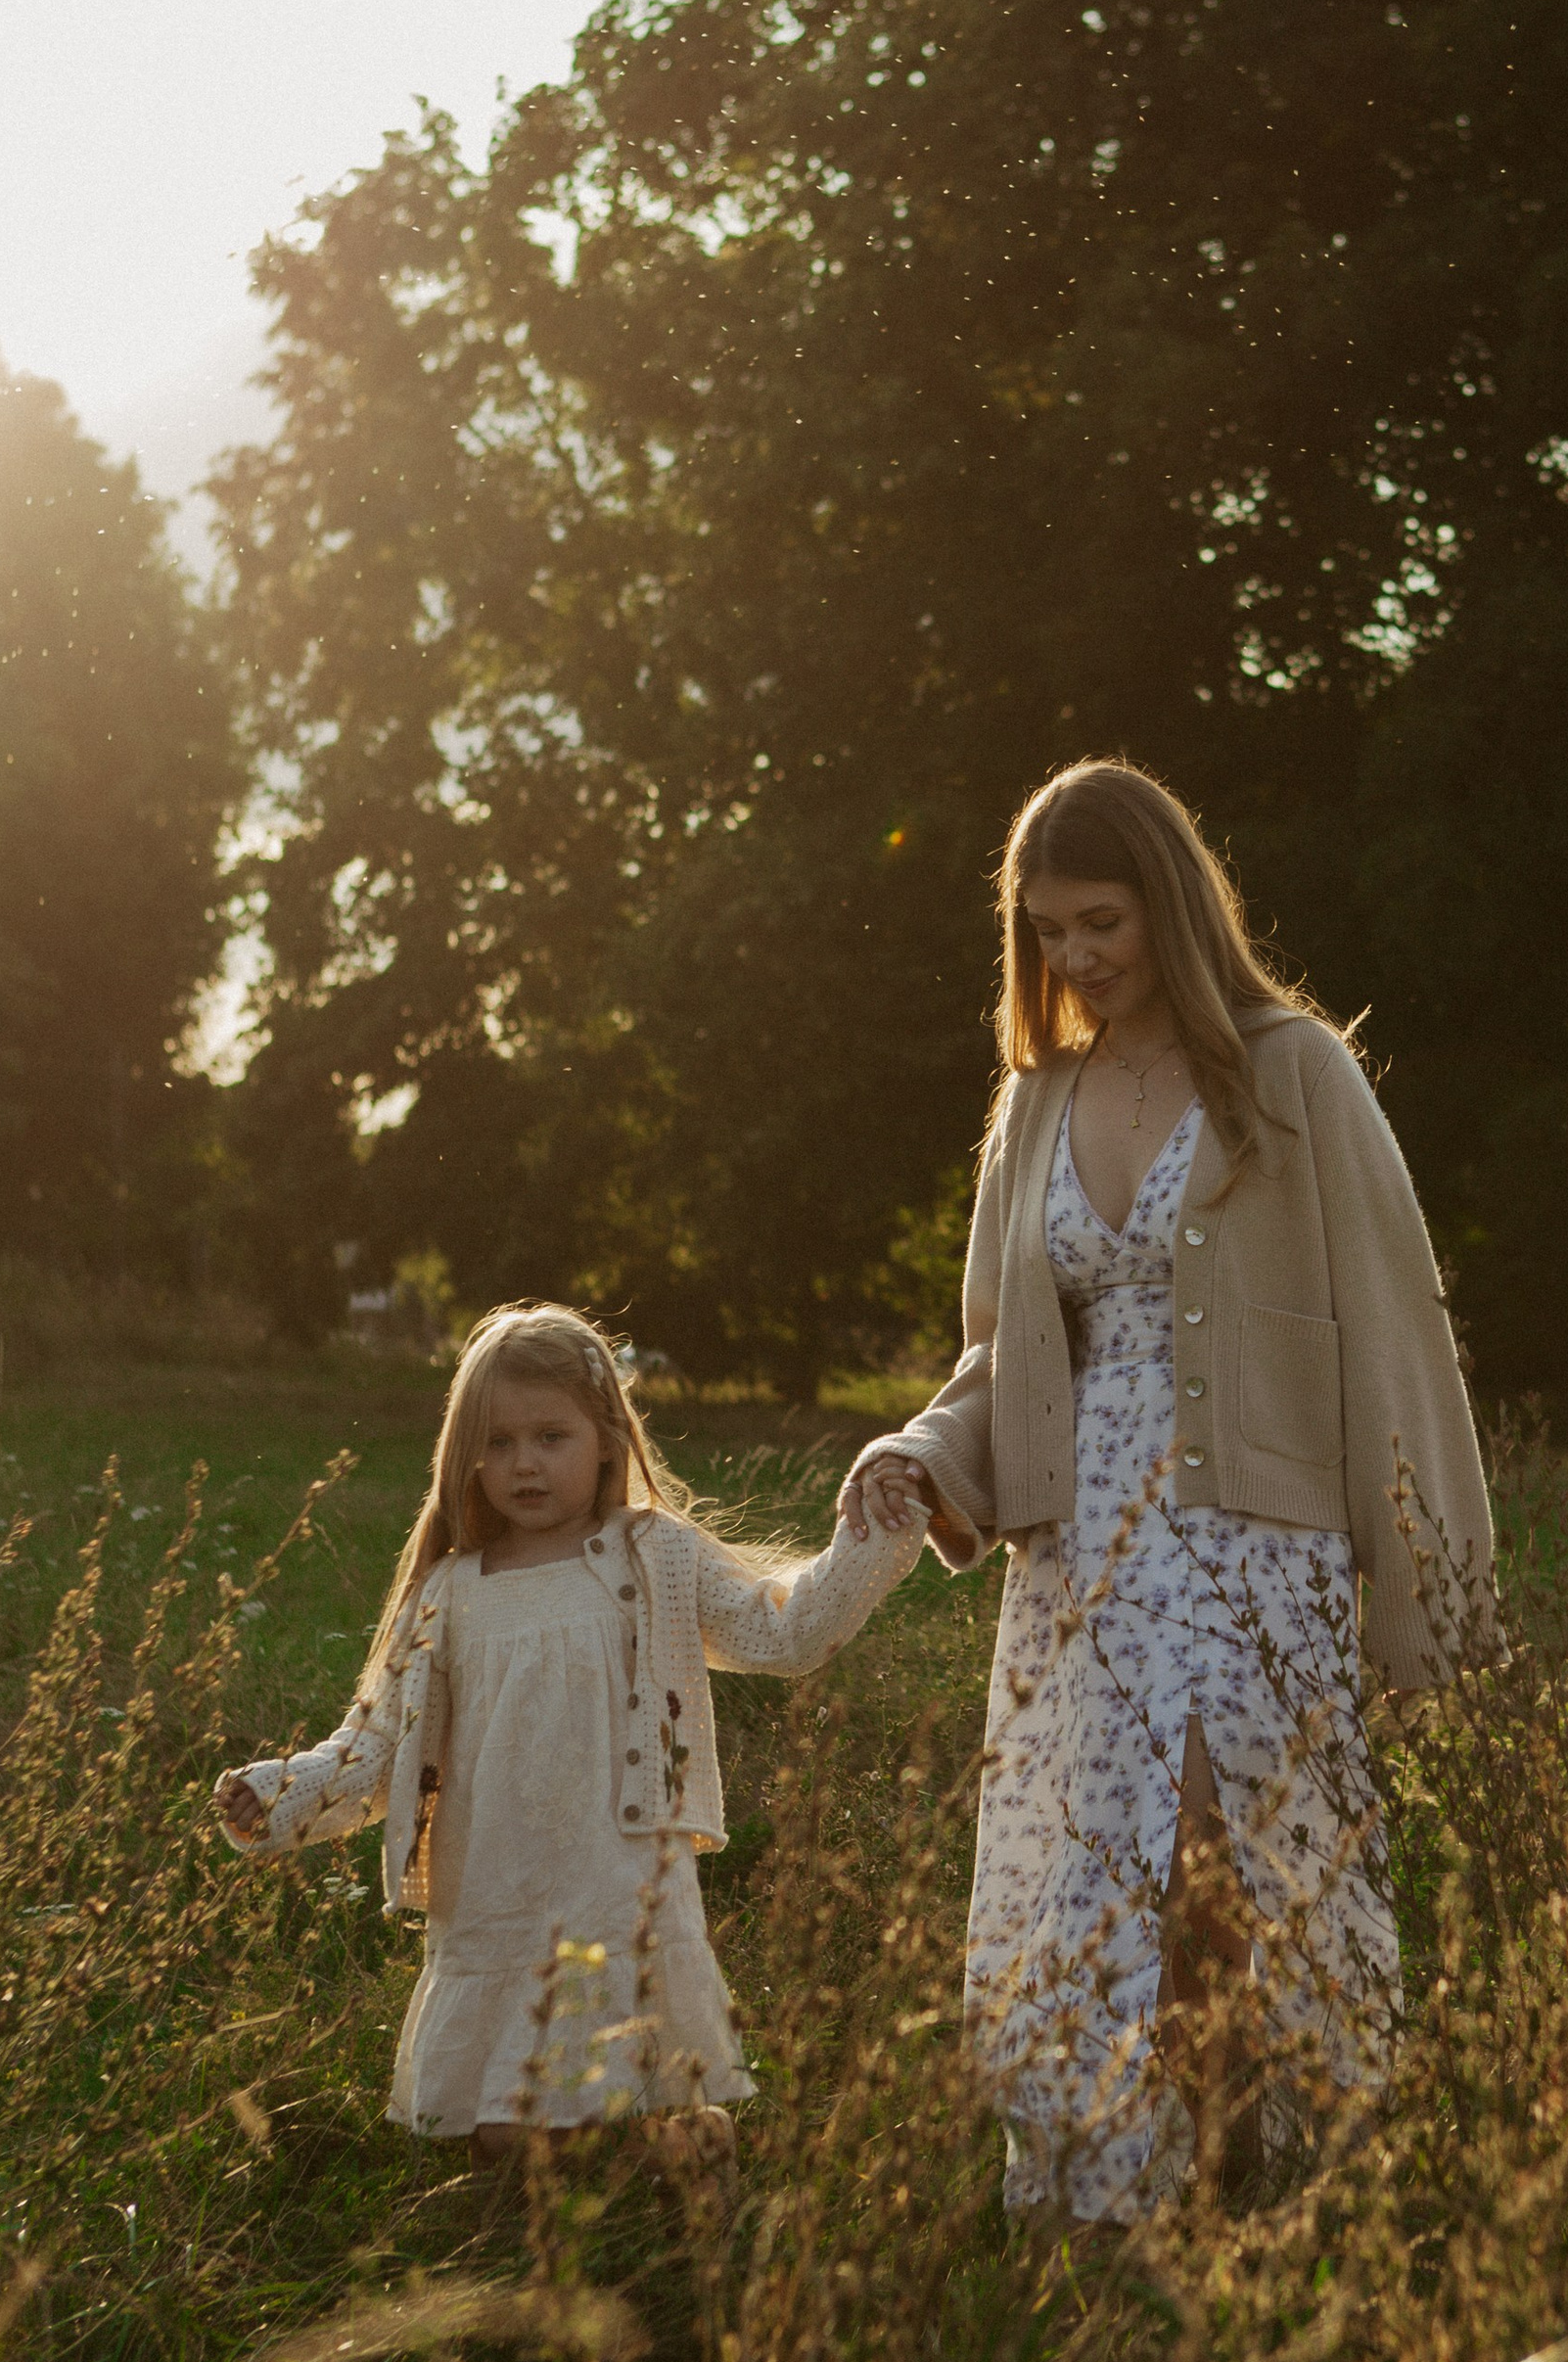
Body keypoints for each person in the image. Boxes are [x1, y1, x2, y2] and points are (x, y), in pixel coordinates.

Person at [844, 759, 1494, 2230]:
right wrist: (923, 1454)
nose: (1073, 958)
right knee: (1100, 1884)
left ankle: (1256, 2195)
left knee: (1226, 1873)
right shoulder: (1038, 1099)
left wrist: (1428, 1589)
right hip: (1083, 1556)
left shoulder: (1294, 1070)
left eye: (1101, 923)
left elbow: (1394, 1331)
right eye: (1046, 930)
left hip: (1259, 1550)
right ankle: (1120, 2222)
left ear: (1173, 907)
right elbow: (1001, 1352)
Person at [213, 1301, 919, 2189]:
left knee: (628, 2088)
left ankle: (685, 2160)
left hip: (616, 1876)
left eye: (551, 1436)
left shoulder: (652, 1557)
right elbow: (380, 1743)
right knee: (505, 2144)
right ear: (466, 1454)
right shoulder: (448, 1591)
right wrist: (286, 1795)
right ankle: (630, 2187)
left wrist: (877, 1535)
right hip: (495, 1887)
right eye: (499, 1443)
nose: (524, 1464)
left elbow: (783, 1634)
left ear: (607, 1440)